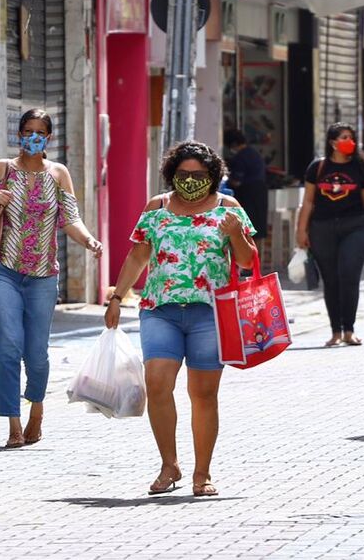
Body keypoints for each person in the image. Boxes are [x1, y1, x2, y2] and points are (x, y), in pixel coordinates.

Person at [105, 141, 256, 497]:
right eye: (183, 175)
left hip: (209, 312)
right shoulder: (156, 208)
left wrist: (235, 234)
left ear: (213, 176)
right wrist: (116, 297)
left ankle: (202, 473)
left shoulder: (228, 208)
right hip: (160, 310)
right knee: (157, 383)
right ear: (172, 174)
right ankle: (169, 464)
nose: (190, 181)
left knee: (203, 394)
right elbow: (138, 256)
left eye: (198, 176)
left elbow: (248, 261)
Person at [0, 109, 103, 448]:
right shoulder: (2, 169)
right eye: (27, 131)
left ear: (48, 138)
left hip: (43, 274)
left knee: (37, 354)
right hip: (2, 269)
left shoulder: (58, 174)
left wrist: (89, 240)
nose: (33, 137)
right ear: (19, 135)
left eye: (39, 132)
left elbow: (71, 218)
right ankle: (13, 424)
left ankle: (37, 410)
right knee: (10, 346)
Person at [295, 123, 364, 347]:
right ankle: (336, 331)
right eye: (344, 137)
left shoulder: (359, 167)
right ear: (332, 142)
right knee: (331, 280)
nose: (350, 141)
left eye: (352, 137)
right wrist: (301, 230)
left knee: (349, 276)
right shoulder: (317, 168)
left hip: (354, 226)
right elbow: (307, 201)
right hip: (322, 228)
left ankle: (350, 330)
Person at [223, 129, 268, 242]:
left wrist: (227, 180)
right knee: (256, 230)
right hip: (260, 194)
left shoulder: (240, 158)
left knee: (246, 229)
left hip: (247, 196)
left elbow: (237, 181)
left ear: (233, 144)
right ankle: (255, 257)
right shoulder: (254, 153)